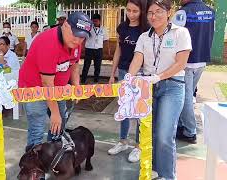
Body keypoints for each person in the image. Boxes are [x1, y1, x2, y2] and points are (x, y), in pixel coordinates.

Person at [128, 0, 192, 179]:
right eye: (150, 13)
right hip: (147, 88)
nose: (153, 16)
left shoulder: (181, 33)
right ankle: (154, 170)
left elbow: (181, 63)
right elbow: (137, 60)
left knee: (164, 135)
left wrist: (158, 77)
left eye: (158, 12)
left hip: (172, 86)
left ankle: (168, 176)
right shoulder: (144, 37)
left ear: (168, 13)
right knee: (150, 133)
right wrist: (128, 79)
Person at [18, 12, 92, 151]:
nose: (77, 41)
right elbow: (46, 84)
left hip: (57, 89)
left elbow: (74, 64)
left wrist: (76, 86)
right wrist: (55, 113)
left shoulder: (76, 42)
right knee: (38, 128)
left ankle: (53, 153)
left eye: (82, 37)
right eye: (75, 34)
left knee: (59, 125)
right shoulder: (48, 43)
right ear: (65, 25)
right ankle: (34, 165)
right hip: (34, 88)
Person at [107, 0, 148, 164]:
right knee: (124, 108)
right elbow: (118, 50)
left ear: (141, 12)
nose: (131, 14)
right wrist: (113, 73)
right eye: (128, 10)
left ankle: (139, 146)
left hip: (141, 74)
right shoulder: (122, 28)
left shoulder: (146, 29)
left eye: (135, 11)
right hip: (124, 71)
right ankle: (123, 142)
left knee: (139, 111)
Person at [174, 0, 215, 144]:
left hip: (186, 61)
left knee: (184, 97)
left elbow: (174, 37)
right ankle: (181, 124)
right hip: (202, 60)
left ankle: (190, 131)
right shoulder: (210, 11)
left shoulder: (183, 12)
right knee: (188, 94)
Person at [81, 13, 110, 83]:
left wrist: (108, 50)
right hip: (89, 49)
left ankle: (96, 80)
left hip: (99, 50)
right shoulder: (88, 27)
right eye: (93, 21)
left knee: (97, 66)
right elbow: (83, 37)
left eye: (96, 21)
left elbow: (106, 40)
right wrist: (82, 46)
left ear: (100, 21)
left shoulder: (104, 29)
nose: (95, 22)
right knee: (86, 65)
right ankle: (83, 80)